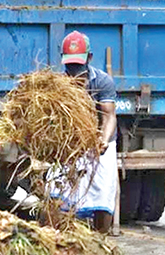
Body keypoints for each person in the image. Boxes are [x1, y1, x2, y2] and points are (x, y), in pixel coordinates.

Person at [61, 31, 118, 234]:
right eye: (70, 65)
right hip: (71, 143)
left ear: (89, 58)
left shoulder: (102, 81)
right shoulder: (58, 85)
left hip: (99, 142)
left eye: (78, 65)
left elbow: (109, 116)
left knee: (102, 193)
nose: (74, 70)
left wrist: (102, 140)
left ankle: (100, 240)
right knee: (59, 193)